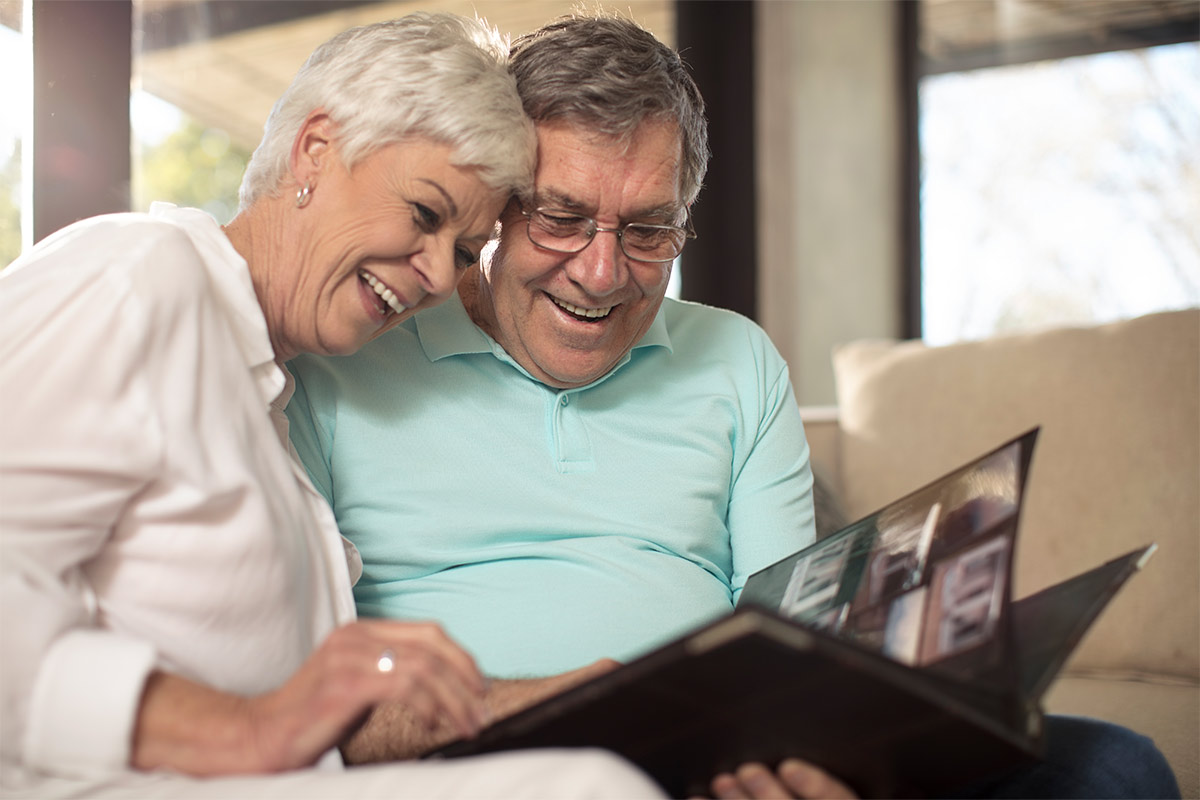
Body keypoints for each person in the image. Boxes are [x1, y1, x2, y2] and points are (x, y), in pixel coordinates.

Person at [284, 12, 1181, 800]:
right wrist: (546, 703)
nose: (602, 274)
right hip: (487, 766)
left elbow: (795, 635)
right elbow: (301, 699)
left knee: (1110, 769)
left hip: (728, 763)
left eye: (648, 230)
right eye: (560, 218)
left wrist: (838, 744)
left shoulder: (737, 360)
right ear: (494, 209)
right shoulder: (346, 359)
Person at [0, 13, 665, 799]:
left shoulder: (268, 393)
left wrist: (538, 702)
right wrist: (247, 731)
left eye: (461, 250)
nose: (432, 275)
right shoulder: (139, 277)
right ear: (314, 149)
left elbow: (323, 730)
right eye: (423, 213)